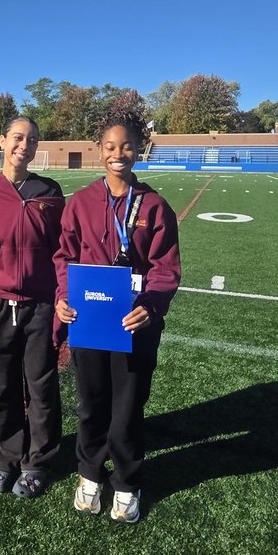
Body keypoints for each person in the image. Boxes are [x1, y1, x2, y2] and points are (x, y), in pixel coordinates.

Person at [55, 114, 181, 524]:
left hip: (134, 325)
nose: (117, 155)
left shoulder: (155, 206)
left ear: (138, 149)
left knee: (127, 407)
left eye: (126, 146)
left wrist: (153, 303)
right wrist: (62, 297)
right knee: (91, 403)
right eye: (110, 147)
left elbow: (166, 267)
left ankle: (127, 482)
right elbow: (63, 258)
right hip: (89, 321)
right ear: (99, 151)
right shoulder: (80, 203)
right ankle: (90, 473)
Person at [0, 117, 66, 498]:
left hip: (39, 306)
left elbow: (62, 253)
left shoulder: (50, 191)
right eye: (18, 138)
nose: (25, 145)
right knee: (1, 387)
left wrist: (60, 300)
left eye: (33, 140)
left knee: (41, 387)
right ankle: (2, 456)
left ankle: (38, 460)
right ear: (3, 141)